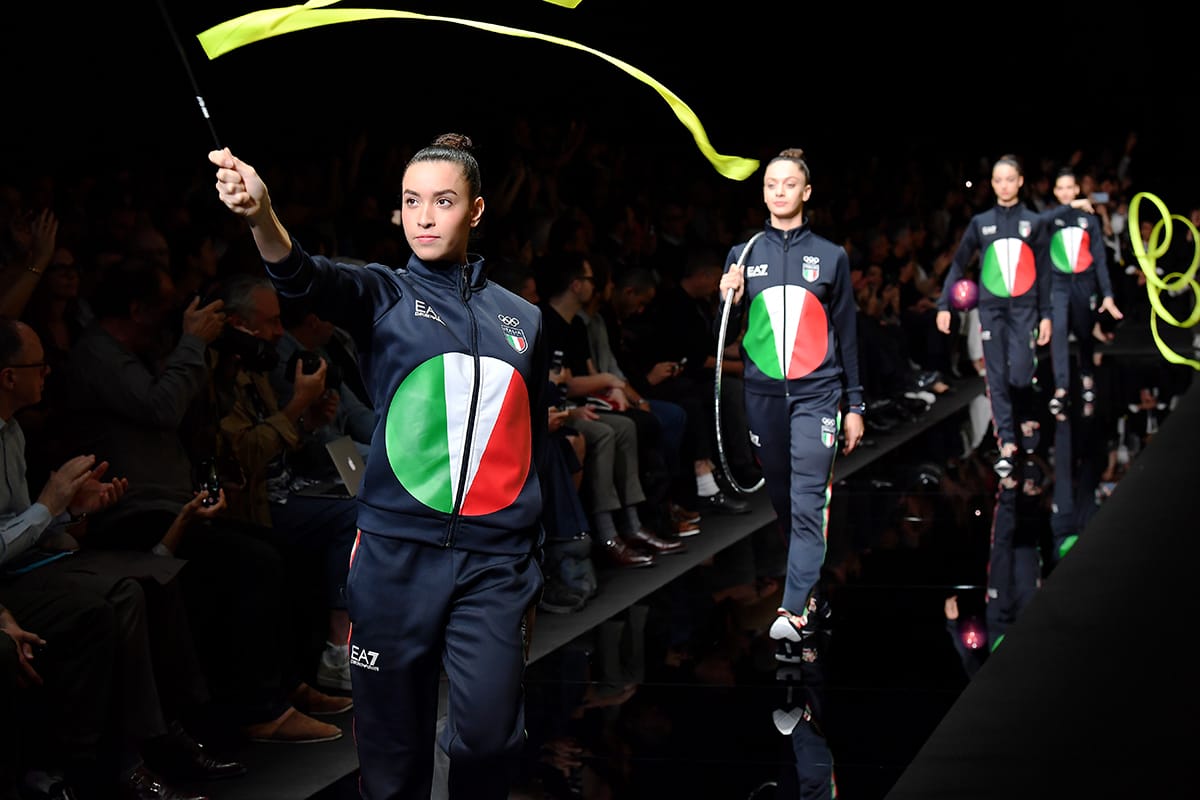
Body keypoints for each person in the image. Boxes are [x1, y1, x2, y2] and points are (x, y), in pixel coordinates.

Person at [209, 132, 548, 799]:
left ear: (475, 210)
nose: (424, 216)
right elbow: (302, 276)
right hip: (395, 558)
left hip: (495, 561)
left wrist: (540, 551)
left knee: (489, 740)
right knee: (392, 761)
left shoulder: (525, 319)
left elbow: (526, 440)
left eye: (443, 201)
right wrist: (262, 217)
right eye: (411, 201)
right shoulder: (381, 293)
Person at [717, 149, 864, 670]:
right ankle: (811, 590)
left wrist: (855, 403)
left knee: (807, 498)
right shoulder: (743, 253)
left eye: (789, 184)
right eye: (771, 184)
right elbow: (724, 334)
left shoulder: (830, 256)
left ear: (806, 192)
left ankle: (794, 608)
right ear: (764, 193)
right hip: (761, 397)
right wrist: (728, 297)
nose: (779, 191)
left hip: (816, 394)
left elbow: (847, 333)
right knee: (784, 500)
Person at [935, 154, 1055, 475]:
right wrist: (944, 305)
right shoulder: (981, 222)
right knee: (996, 374)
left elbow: (1044, 271)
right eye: (998, 180)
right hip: (991, 307)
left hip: (1024, 307)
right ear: (992, 184)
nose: (1004, 186)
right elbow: (959, 263)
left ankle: (1024, 411)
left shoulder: (1034, 222)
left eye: (1009, 179)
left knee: (1020, 372)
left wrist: (1046, 315)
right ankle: (1007, 440)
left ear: (1020, 182)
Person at [1044, 167, 1123, 418]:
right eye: (1061, 188)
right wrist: (1072, 205)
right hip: (1058, 283)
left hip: (1084, 283)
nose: (1066, 192)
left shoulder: (1089, 219)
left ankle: (1087, 374)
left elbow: (1099, 259)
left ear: (1077, 189)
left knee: (1083, 332)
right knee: (1058, 332)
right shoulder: (1051, 217)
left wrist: (1107, 293)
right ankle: (1061, 388)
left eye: (1070, 187)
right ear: (1055, 191)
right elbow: (1038, 223)